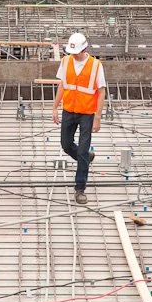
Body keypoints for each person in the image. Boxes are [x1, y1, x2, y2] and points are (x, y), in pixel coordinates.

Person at [52, 33, 107, 205]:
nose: (73, 55)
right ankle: (85, 158)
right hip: (69, 110)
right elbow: (62, 85)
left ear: (84, 49)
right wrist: (54, 107)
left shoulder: (96, 66)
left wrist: (98, 117)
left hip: (87, 113)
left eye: (75, 52)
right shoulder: (66, 61)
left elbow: (101, 91)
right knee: (66, 144)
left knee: (82, 150)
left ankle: (80, 188)